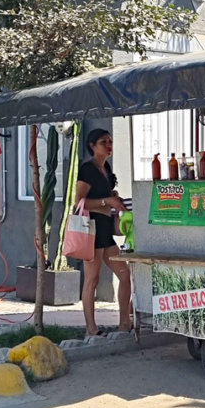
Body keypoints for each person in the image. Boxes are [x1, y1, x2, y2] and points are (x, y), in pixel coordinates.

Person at [74, 128, 133, 338]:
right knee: (92, 279)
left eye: (110, 141)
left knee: (124, 274)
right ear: (92, 146)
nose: (109, 146)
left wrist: (113, 198)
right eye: (103, 142)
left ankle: (125, 323)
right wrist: (106, 201)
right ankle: (91, 328)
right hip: (91, 230)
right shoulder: (88, 169)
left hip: (106, 229)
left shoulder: (106, 168)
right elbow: (79, 202)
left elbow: (104, 197)